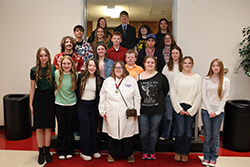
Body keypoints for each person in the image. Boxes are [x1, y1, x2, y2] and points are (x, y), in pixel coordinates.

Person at [99, 60, 141, 163]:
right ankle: (112, 154)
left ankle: (129, 154)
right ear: (113, 69)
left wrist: (137, 111)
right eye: (116, 68)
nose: (118, 70)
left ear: (124, 69)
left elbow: (137, 97)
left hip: (127, 112)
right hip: (111, 111)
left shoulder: (131, 80)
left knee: (127, 134)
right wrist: (102, 111)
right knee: (112, 134)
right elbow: (102, 97)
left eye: (120, 67)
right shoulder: (107, 81)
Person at [136, 55, 169, 160]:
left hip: (157, 109)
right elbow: (136, 93)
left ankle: (151, 150)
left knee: (154, 130)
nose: (150, 64)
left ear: (155, 64)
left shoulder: (161, 77)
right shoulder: (139, 77)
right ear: (144, 64)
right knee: (144, 131)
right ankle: (144, 151)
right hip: (143, 109)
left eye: (152, 63)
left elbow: (165, 90)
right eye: (148, 62)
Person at [171, 56, 201, 163]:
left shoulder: (197, 78)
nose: (187, 65)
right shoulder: (177, 76)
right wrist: (178, 109)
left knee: (188, 133)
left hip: (191, 107)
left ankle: (185, 153)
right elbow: (173, 93)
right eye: (185, 63)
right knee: (180, 132)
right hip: (179, 106)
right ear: (181, 65)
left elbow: (199, 95)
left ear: (192, 65)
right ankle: (178, 152)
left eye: (189, 63)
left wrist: (192, 110)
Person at [201, 58, 230, 167]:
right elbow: (204, 96)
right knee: (207, 135)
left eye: (218, 66)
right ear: (211, 67)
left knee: (215, 135)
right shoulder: (206, 79)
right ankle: (206, 156)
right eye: (214, 65)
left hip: (218, 112)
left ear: (221, 67)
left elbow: (224, 98)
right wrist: (210, 110)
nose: (216, 67)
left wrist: (217, 112)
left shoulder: (226, 81)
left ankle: (214, 157)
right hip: (206, 110)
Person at [29, 47, 55, 164]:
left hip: (50, 98)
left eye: (45, 55)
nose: (43, 58)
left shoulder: (53, 68)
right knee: (39, 127)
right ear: (38, 58)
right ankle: (40, 152)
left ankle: (47, 151)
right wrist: (31, 104)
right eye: (41, 56)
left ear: (48, 57)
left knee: (49, 126)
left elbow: (55, 86)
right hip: (39, 99)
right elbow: (32, 89)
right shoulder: (33, 70)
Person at [77, 59, 104, 161]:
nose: (91, 68)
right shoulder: (81, 77)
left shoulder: (100, 80)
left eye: (94, 66)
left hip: (93, 106)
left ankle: (94, 150)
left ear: (96, 68)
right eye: (90, 65)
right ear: (86, 67)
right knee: (86, 129)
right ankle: (84, 152)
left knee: (93, 129)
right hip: (82, 106)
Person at [55, 56, 78, 160]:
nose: (66, 66)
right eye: (64, 64)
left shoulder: (75, 75)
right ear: (61, 64)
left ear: (72, 65)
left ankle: (69, 150)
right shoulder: (57, 74)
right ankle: (60, 151)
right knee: (62, 128)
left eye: (68, 64)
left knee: (70, 129)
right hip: (59, 104)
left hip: (72, 104)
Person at [159, 45, 183, 141]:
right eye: (173, 53)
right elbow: (163, 80)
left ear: (180, 54)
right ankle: (165, 135)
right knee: (168, 117)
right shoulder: (167, 66)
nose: (174, 55)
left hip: (179, 95)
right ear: (170, 55)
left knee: (177, 116)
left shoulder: (183, 66)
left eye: (176, 53)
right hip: (168, 95)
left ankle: (175, 135)